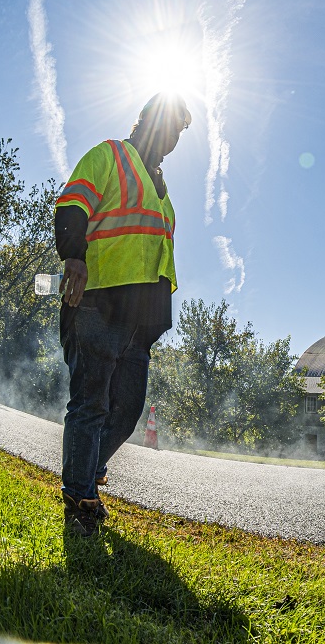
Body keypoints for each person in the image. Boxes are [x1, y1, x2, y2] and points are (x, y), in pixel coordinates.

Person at [54, 93, 191, 536]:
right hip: (97, 300)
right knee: (91, 402)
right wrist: (73, 255)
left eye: (179, 132)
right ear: (146, 119)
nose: (171, 138)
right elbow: (72, 203)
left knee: (127, 409)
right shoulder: (109, 155)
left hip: (140, 319)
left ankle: (90, 470)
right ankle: (79, 501)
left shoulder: (163, 191)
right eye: (168, 125)